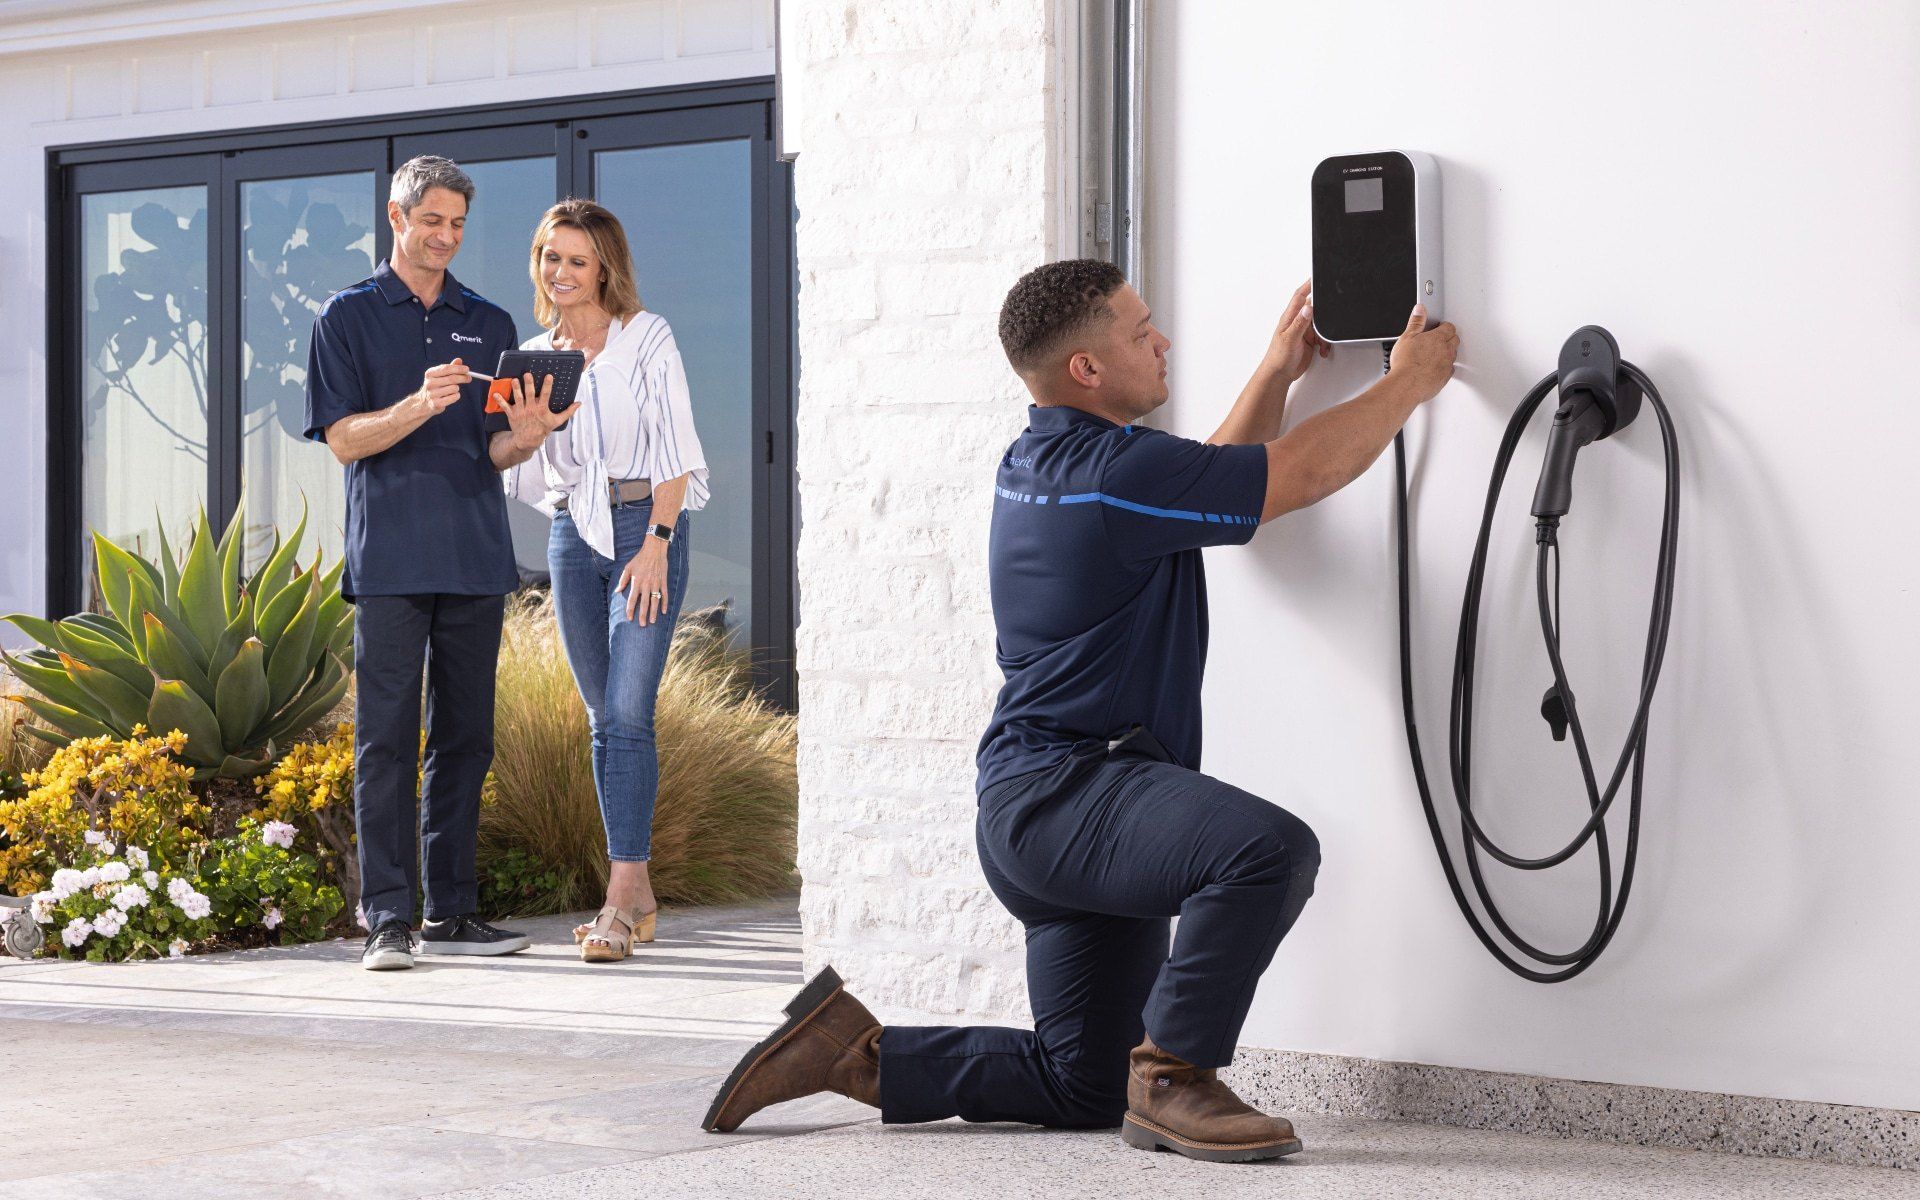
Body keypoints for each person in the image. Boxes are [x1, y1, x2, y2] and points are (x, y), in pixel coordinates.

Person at [702, 262, 1459, 1162]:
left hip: (1038, 812)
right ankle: (1178, 1078)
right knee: (1268, 850)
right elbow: (1284, 478)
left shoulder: (1052, 462)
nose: (1163, 341)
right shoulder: (1113, 473)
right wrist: (1408, 381)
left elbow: (1217, 485)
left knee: (1086, 1084)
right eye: (1142, 332)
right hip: (1078, 796)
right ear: (1088, 371)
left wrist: (1274, 374)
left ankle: (857, 1056)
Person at [305, 156, 577, 971]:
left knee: (465, 740)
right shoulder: (346, 317)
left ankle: (451, 912)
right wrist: (416, 404)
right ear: (398, 217)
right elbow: (345, 441)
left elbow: (491, 449)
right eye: (434, 222)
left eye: (458, 224)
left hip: (472, 558)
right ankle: (387, 916)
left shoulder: (489, 323)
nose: (447, 237)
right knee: (385, 742)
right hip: (387, 559)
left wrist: (526, 437)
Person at [501, 199, 709, 963]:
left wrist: (655, 543)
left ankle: (620, 898)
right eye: (550, 258)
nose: (561, 273)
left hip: (640, 528)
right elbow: (522, 464)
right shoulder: (530, 355)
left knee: (627, 710)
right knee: (602, 717)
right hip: (570, 534)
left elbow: (677, 450)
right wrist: (528, 432)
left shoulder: (646, 338)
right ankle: (642, 893)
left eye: (577, 261)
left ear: (605, 269)